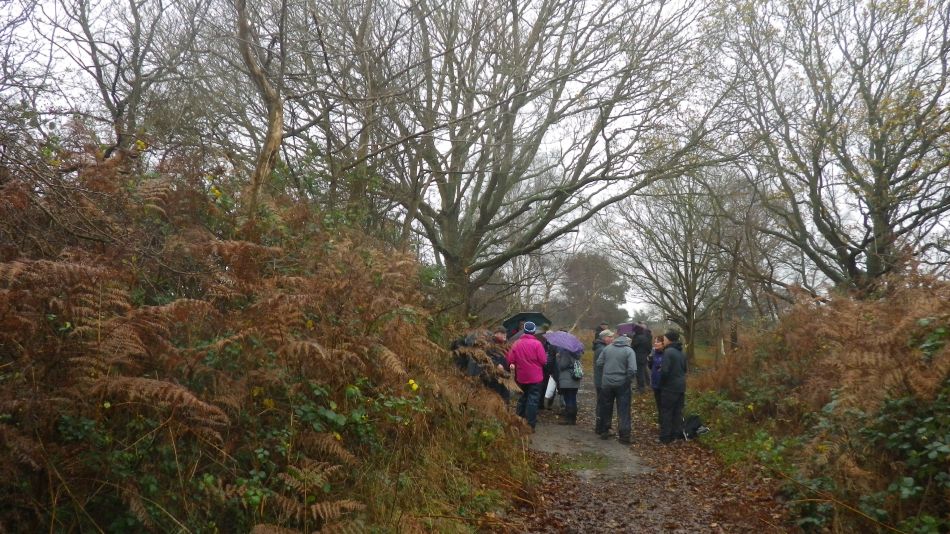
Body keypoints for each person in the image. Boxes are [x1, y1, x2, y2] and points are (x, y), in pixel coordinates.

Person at [595, 330, 637, 444]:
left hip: (607, 383)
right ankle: (624, 436)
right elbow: (632, 369)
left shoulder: (607, 348)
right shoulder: (629, 350)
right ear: (628, 341)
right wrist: (627, 380)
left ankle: (605, 430)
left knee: (606, 407)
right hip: (622, 384)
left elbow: (599, 363)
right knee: (623, 409)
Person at [507, 321, 547, 430]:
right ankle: (530, 425)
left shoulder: (516, 343)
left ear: (523, 331)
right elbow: (543, 361)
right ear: (534, 331)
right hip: (536, 377)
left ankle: (519, 421)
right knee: (533, 400)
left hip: (521, 376)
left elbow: (510, 359)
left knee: (522, 398)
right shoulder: (538, 344)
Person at [658, 330, 688, 443]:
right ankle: (676, 435)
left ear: (669, 340)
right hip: (681, 386)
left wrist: (662, 383)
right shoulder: (681, 352)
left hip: (670, 387)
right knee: (677, 412)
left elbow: (665, 371)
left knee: (666, 411)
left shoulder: (668, 352)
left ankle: (665, 437)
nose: (663, 341)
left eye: (664, 339)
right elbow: (685, 369)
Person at [555, 346, 583, 424]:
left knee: (568, 399)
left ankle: (569, 419)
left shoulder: (565, 353)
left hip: (567, 379)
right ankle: (573, 419)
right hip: (575, 379)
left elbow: (562, 366)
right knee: (573, 398)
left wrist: (558, 357)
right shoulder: (577, 353)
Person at [592, 329, 611, 433]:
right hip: (601, 380)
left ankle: (600, 426)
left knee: (601, 403)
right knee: (602, 404)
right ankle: (600, 427)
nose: (612, 339)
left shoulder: (600, 347)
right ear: (604, 338)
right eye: (610, 337)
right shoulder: (602, 349)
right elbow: (602, 365)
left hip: (600, 379)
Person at [631, 324, 653, 394]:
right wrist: (646, 354)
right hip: (644, 357)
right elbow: (649, 348)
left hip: (638, 357)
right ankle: (647, 385)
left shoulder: (637, 337)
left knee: (639, 373)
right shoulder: (645, 337)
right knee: (644, 371)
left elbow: (633, 346)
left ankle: (641, 389)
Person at [649, 335, 665, 416]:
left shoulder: (667, 353)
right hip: (655, 383)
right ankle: (661, 422)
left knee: (664, 406)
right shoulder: (654, 352)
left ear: (663, 343)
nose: (655, 343)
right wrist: (650, 361)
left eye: (658, 342)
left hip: (664, 385)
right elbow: (651, 368)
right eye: (654, 342)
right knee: (659, 405)